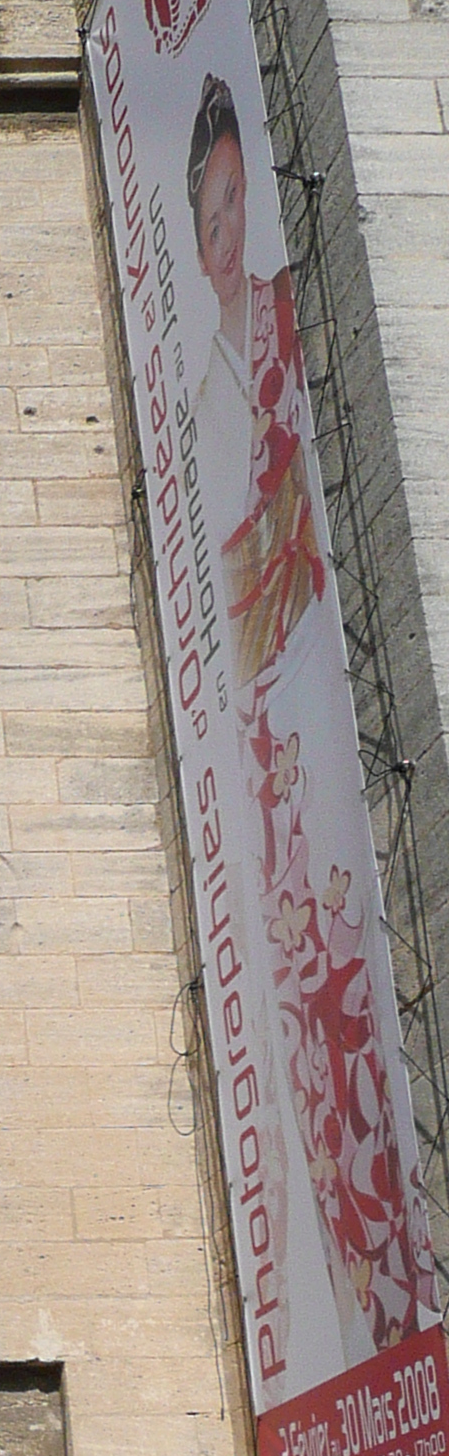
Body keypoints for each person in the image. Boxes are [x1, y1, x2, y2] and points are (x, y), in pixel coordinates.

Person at [189, 75, 433, 1361]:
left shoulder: (284, 321)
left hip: (308, 746)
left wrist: (268, 560)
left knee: (360, 1041)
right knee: (305, 1061)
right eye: (211, 210)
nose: (230, 227)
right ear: (188, 230)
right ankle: (374, 1337)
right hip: (260, 766)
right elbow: (238, 577)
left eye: (239, 197)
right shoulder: (197, 400)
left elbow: (280, 561)